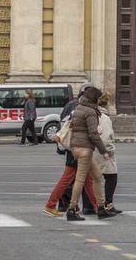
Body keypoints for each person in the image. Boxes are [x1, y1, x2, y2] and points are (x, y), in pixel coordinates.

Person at [44, 88, 98, 217]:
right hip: (77, 148)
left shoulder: (73, 107)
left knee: (87, 180)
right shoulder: (80, 109)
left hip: (73, 148)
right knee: (68, 180)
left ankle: (97, 205)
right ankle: (51, 204)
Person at [66, 85, 113, 221]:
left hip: (76, 146)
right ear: (94, 98)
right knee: (80, 179)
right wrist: (103, 151)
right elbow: (93, 134)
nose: (99, 100)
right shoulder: (90, 111)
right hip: (85, 148)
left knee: (97, 176)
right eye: (98, 98)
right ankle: (72, 209)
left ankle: (100, 207)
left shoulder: (79, 107)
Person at [94, 92, 122, 215]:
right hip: (103, 151)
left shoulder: (93, 114)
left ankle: (91, 204)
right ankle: (108, 203)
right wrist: (110, 150)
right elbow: (106, 137)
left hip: (94, 150)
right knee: (112, 176)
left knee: (94, 178)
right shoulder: (104, 117)